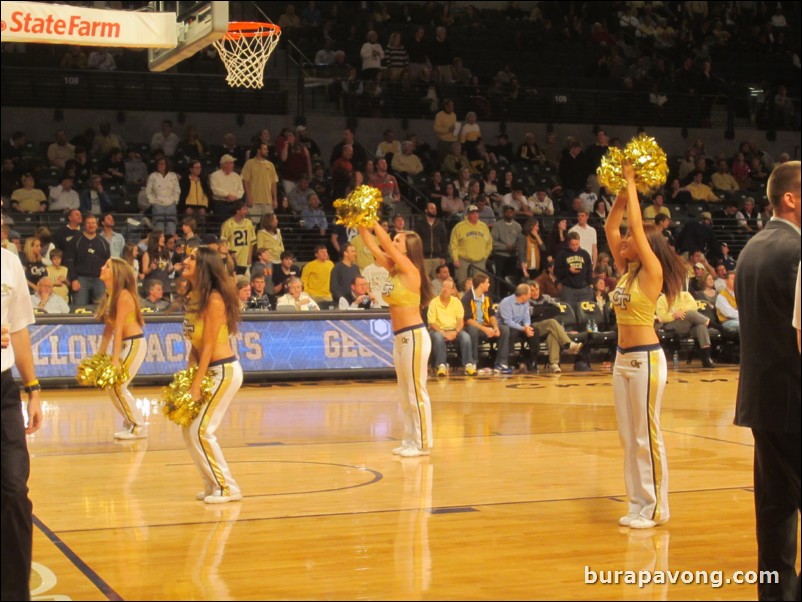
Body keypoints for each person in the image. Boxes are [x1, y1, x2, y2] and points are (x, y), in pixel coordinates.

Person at [604, 163, 687, 530]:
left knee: (645, 433)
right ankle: (637, 503)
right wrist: (621, 193)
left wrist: (634, 183)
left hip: (647, 360)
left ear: (646, 246)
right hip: (622, 359)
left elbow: (636, 226)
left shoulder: (652, 271)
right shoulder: (627, 270)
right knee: (627, 436)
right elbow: (611, 226)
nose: (623, 241)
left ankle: (655, 508)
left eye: (630, 240)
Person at [734, 160, 801, 601]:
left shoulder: (751, 247)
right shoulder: (798, 252)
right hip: (797, 400)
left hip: (763, 402)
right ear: (791, 199)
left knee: (774, 513)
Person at [358, 220, 434, 457]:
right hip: (400, 338)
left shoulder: (412, 270)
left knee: (416, 392)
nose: (393, 241)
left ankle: (422, 443)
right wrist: (361, 224)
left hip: (414, 336)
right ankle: (410, 439)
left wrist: (375, 223)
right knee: (404, 393)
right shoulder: (393, 269)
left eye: (398, 240)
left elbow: (385, 246)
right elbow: (373, 247)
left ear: (408, 248)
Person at [180, 246, 243, 504]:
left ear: (204, 266)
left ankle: (228, 488)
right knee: (188, 430)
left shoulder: (215, 299)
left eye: (192, 258)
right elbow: (194, 345)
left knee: (201, 430)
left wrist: (197, 384)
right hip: (206, 370)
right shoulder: (193, 296)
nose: (185, 261)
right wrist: (188, 376)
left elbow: (208, 345)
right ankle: (211, 484)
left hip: (223, 371)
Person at [1, 228, 43, 602]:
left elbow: (18, 331)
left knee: (14, 490)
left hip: (4, 391)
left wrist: (33, 387)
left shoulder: (10, 263)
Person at [95, 257, 148, 439]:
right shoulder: (111, 294)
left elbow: (118, 330)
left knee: (118, 386)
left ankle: (138, 426)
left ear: (116, 274)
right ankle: (130, 422)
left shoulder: (124, 295)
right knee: (114, 387)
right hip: (127, 344)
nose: (102, 267)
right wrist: (100, 355)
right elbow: (108, 329)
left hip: (134, 343)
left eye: (107, 266)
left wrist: (115, 360)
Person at [528, 280, 584, 373]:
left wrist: (540, 312)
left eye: (536, 289)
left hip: (549, 326)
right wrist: (546, 310)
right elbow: (531, 313)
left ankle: (553, 364)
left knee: (552, 335)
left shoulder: (546, 297)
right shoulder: (527, 300)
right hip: (534, 327)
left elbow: (557, 310)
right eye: (532, 290)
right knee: (552, 322)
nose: (535, 292)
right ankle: (568, 344)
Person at [655, 290, 716, 367]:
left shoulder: (685, 295)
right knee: (690, 314)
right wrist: (673, 315)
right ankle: (717, 326)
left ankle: (706, 359)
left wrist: (681, 311)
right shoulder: (662, 299)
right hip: (672, 325)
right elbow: (661, 316)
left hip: (689, 325)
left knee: (701, 326)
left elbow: (694, 307)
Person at [427, 277, 473, 376]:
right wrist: (443, 333)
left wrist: (455, 332)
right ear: (441, 288)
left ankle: (468, 365)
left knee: (466, 337)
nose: (445, 289)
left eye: (448, 287)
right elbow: (432, 323)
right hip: (438, 330)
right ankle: (441, 366)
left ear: (452, 290)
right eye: (444, 287)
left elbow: (460, 321)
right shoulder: (434, 302)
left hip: (454, 330)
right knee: (438, 338)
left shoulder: (457, 302)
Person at [497, 283, 538, 372]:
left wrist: (527, 327)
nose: (531, 295)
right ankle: (509, 360)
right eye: (530, 293)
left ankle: (532, 359)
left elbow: (526, 317)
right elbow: (507, 321)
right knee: (511, 331)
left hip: (519, 326)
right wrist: (523, 329)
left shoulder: (526, 302)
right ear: (523, 295)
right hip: (506, 327)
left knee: (534, 329)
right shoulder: (506, 302)